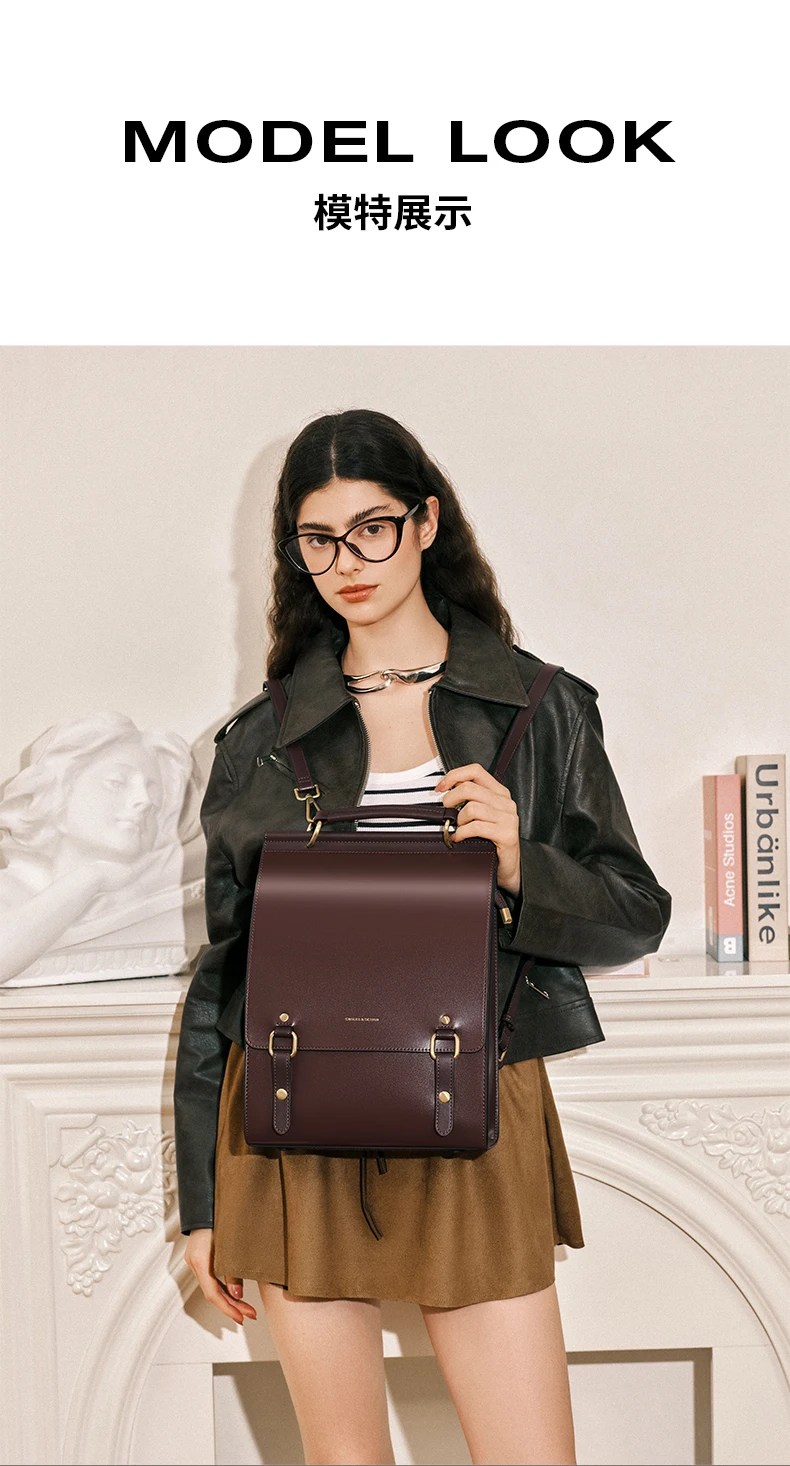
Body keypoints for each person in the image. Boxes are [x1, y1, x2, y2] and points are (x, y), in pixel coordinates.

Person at [174, 408, 671, 1466]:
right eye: (318, 539)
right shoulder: (259, 741)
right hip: (292, 1125)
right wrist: (203, 1205)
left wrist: (520, 863)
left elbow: (635, 910)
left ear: (427, 522)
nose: (347, 563)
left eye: (373, 528)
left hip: (475, 1102)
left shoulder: (536, 708)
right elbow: (226, 977)